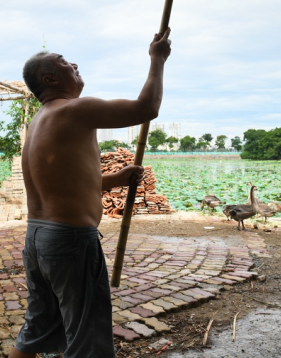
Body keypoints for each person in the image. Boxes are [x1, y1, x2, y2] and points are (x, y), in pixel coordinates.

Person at [10, 28, 172, 358]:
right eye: (63, 61)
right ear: (49, 78)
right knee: (88, 342)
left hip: (38, 240)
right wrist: (157, 59)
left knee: (37, 331)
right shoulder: (75, 110)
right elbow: (146, 108)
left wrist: (115, 178)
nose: (74, 63)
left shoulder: (41, 121)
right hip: (70, 242)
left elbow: (65, 183)